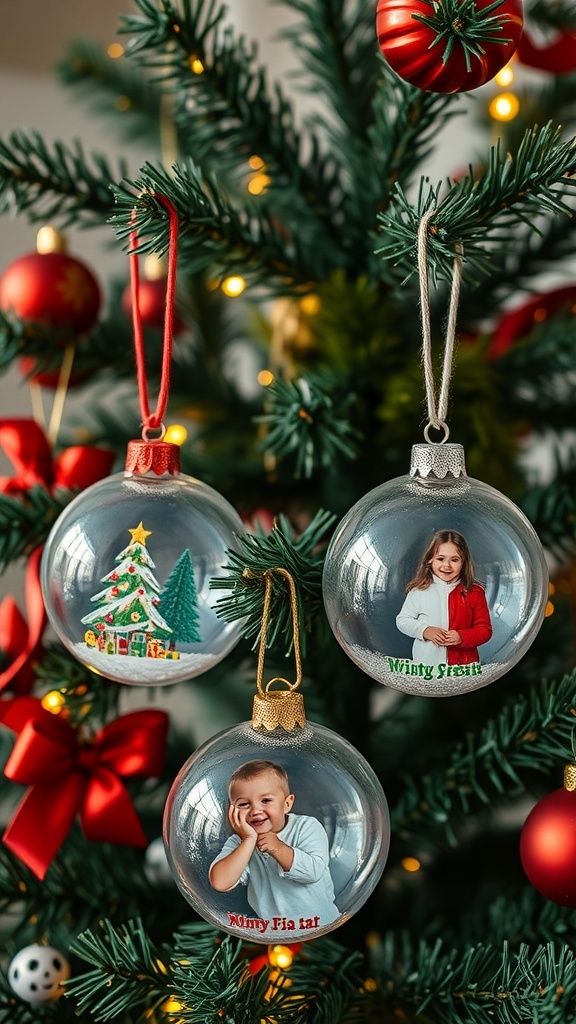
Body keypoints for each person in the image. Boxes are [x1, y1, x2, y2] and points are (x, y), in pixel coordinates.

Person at [209, 759, 339, 926]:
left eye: (266, 801)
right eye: (243, 804)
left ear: (287, 804)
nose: (255, 811)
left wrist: (277, 847)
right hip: (274, 931)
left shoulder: (306, 827)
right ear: (232, 811)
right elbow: (220, 882)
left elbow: (314, 872)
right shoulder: (239, 842)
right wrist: (248, 841)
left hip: (321, 926)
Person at [396, 529, 492, 668]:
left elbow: (485, 630)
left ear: (464, 562)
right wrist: (424, 630)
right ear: (430, 559)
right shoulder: (419, 590)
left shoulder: (475, 592)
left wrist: (462, 637)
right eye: (440, 559)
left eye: (454, 560)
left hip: (463, 665)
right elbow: (402, 620)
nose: (447, 565)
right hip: (427, 663)